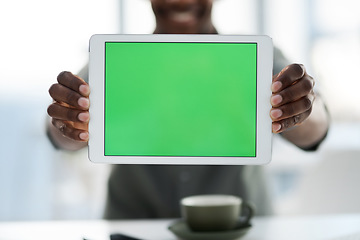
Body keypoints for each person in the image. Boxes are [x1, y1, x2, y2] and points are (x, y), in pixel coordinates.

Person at [47, 0, 330, 218]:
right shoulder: (116, 59)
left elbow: (317, 127)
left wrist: (301, 110)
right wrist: (67, 123)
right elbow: (60, 134)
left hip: (240, 226)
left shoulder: (254, 56)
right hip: (132, 226)